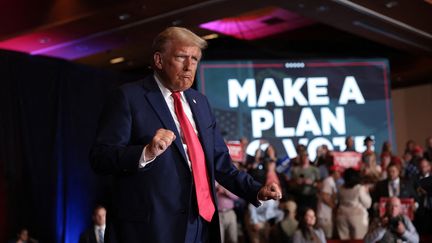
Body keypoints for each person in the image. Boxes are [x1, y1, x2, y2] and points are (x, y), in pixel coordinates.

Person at [90, 26, 281, 243]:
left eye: (195, 59)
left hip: (201, 223)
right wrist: (146, 152)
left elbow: (220, 161)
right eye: (182, 57)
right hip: (153, 229)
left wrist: (256, 190)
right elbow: (101, 157)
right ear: (159, 60)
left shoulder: (201, 103)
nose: (190, 66)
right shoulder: (128, 97)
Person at [335, 168, 371, 240]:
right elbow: (368, 203)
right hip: (357, 217)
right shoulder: (359, 188)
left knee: (344, 239)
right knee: (358, 240)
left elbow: (337, 201)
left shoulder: (340, 188)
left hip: (341, 216)